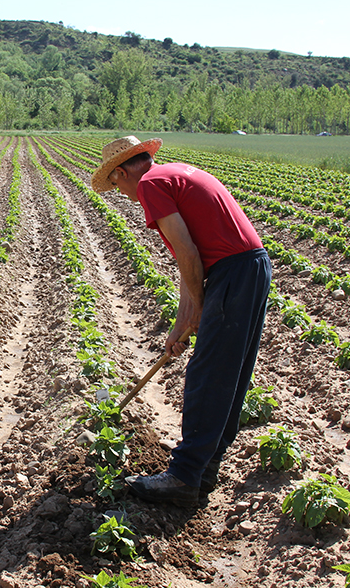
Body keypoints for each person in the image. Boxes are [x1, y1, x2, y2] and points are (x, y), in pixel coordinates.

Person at [90, 136, 271, 507]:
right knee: (228, 375)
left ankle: (184, 476)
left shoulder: (151, 185)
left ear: (124, 171)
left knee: (209, 374)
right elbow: (192, 261)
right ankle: (204, 469)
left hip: (233, 275)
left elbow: (188, 254)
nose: (121, 193)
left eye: (115, 184)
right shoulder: (175, 175)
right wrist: (183, 321)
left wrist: (202, 306)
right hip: (246, 269)